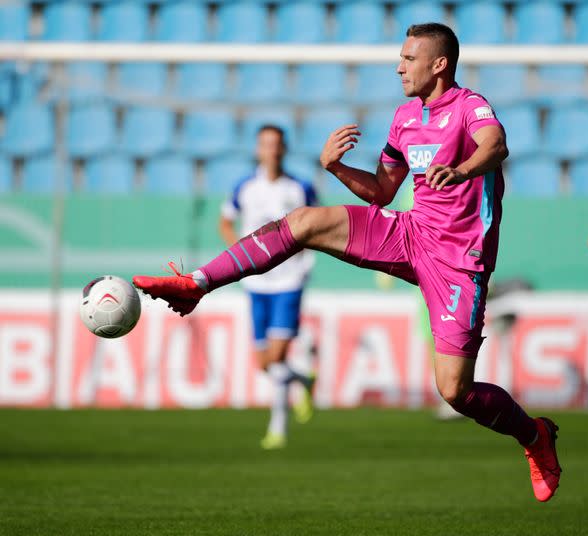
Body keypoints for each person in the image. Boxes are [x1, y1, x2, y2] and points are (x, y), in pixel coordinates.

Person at [134, 22, 562, 502]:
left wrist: (460, 170)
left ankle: (534, 437)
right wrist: (336, 168)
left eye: (408, 58)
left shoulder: (469, 107)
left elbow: (496, 145)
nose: (398, 66)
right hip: (411, 233)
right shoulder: (405, 117)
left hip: (459, 261)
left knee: (455, 391)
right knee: (305, 222)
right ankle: (197, 283)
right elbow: (382, 192)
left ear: (439, 64)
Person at [219, 124, 317, 450]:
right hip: (256, 284)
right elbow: (225, 220)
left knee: (276, 358)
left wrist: (302, 257)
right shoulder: (245, 188)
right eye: (265, 144)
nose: (271, 150)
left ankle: (278, 428)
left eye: (276, 144)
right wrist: (240, 255)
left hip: (289, 280)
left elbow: (319, 224)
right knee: (263, 363)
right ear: (258, 149)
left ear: (284, 149)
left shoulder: (300, 188)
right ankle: (303, 379)